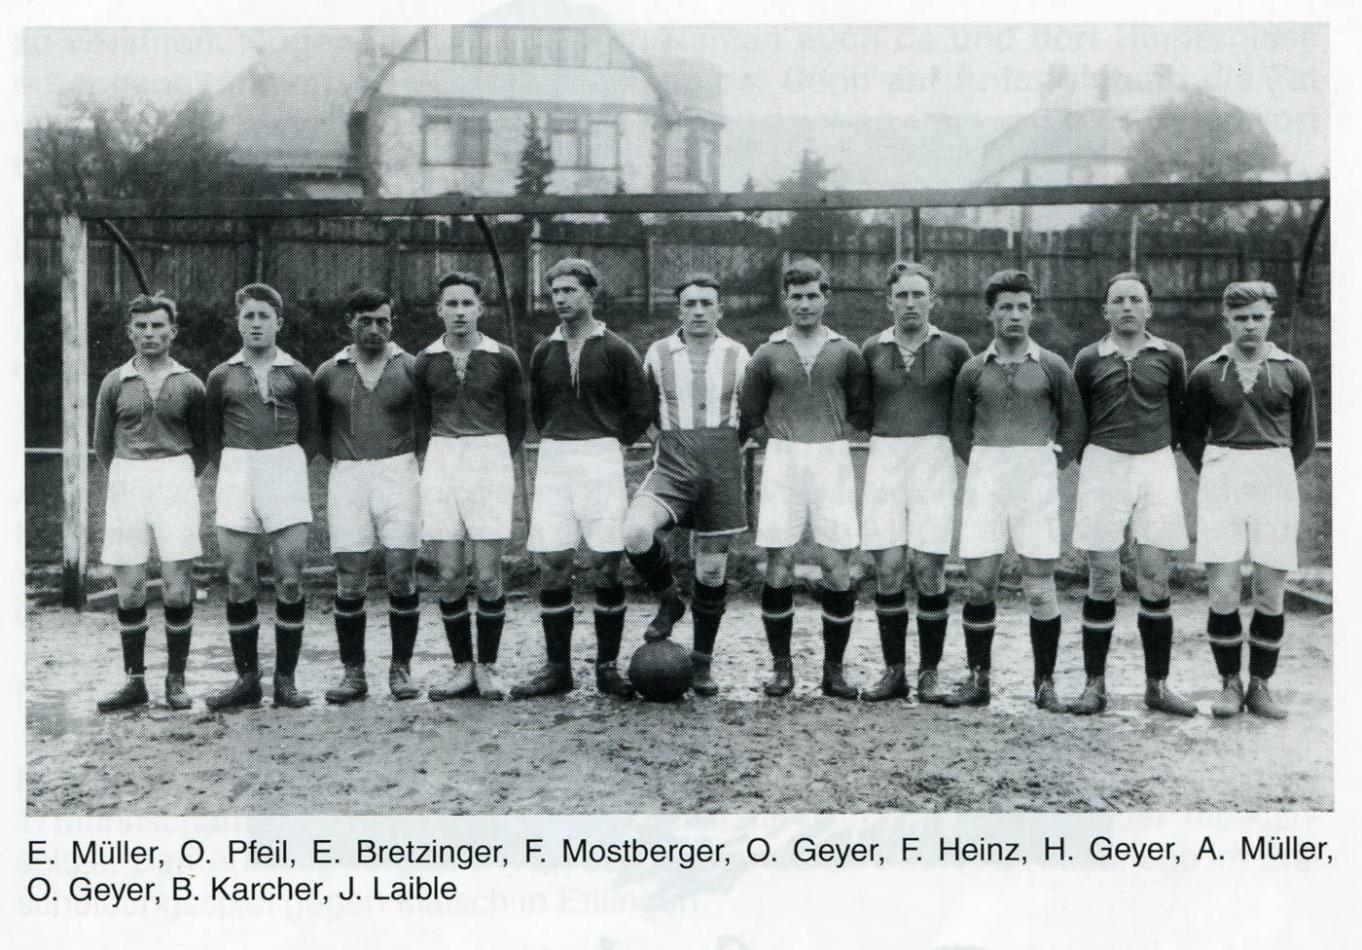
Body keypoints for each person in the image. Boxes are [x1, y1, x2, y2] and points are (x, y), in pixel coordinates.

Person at [513, 259, 652, 698]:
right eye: (555, 292)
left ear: (591, 295)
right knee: (553, 563)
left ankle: (607, 668)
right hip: (555, 458)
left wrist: (613, 441)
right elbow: (538, 409)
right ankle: (558, 669)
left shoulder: (617, 349)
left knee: (605, 565)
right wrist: (561, 437)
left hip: (600, 457)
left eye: (570, 290)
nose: (561, 299)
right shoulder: (544, 350)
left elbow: (641, 408)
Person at [948, 270, 1086, 711]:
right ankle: (978, 679)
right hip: (987, 475)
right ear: (990, 313)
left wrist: (1047, 464)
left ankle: (1044, 683)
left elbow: (1074, 424)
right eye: (1005, 307)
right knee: (979, 584)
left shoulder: (1053, 365)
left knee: (1040, 585)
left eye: (1023, 307)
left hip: (1035, 477)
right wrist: (985, 464)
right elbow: (959, 430)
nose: (1015, 315)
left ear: (1032, 312)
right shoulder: (973, 368)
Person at [1181, 280, 1316, 719]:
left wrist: (1272, 469)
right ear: (1227, 320)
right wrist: (1218, 470)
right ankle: (1229, 684)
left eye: (1258, 317)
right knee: (1223, 590)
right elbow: (1190, 436)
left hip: (1274, 475)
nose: (1250, 326)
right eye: (1241, 318)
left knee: (1270, 590)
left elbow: (1305, 439)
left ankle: (1260, 685)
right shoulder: (1206, 372)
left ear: (1270, 318)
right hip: (1222, 473)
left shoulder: (1293, 371)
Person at [740, 258, 871, 699]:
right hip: (784, 459)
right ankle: (782, 669)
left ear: (825, 298)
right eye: (796, 296)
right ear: (785, 299)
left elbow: (861, 410)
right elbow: (751, 414)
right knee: (780, 562)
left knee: (836, 564)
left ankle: (834, 671)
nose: (804, 304)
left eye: (812, 295)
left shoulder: (846, 351)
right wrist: (782, 442)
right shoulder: (767, 352)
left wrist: (829, 436)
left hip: (831, 457)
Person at [1069, 272, 1196, 716]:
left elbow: (1179, 413)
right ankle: (1094, 686)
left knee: (1155, 576)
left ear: (1149, 308)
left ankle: (1157, 686)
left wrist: (1153, 449)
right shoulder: (1088, 359)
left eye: (1135, 299)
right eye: (1118, 300)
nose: (1127, 307)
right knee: (1103, 577)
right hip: (1103, 464)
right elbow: (1077, 418)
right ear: (1105, 310)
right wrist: (1100, 458)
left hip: (1155, 465)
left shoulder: (1170, 356)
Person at [623, 273, 750, 696]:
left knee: (711, 570)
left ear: (720, 310)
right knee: (636, 531)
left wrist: (725, 447)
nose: (698, 311)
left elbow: (750, 414)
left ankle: (701, 664)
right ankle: (669, 599)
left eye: (706, 303)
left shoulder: (738, 354)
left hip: (721, 467)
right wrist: (665, 441)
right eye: (690, 304)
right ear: (678, 310)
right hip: (673, 464)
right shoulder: (659, 352)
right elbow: (644, 408)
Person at [859, 262, 972, 702]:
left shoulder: (955, 349)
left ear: (932, 301)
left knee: (928, 567)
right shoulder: (872, 349)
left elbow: (967, 408)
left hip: (934, 458)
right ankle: (894, 673)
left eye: (918, 295)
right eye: (901, 296)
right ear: (889, 302)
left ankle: (929, 673)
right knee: (888, 568)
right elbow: (860, 409)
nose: (910, 303)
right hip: (886, 457)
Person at [204, 283, 319, 710]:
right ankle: (246, 679)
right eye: (248, 316)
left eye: (264, 316)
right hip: (237, 468)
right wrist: (237, 467)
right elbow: (212, 438)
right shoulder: (221, 375)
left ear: (278, 323)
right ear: (237, 322)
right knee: (238, 579)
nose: (256, 324)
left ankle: (285, 680)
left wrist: (284, 464)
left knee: (289, 579)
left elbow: (312, 434)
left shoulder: (299, 374)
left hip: (284, 466)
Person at [92, 293, 208, 712]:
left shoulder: (190, 384)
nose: (149, 334)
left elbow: (203, 445)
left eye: (158, 325)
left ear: (172, 331)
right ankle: (134, 681)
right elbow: (102, 444)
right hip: (127, 478)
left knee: (177, 586)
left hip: (175, 477)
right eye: (141, 326)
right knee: (130, 588)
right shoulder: (114, 382)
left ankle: (175, 681)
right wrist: (131, 473)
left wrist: (176, 474)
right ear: (130, 332)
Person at [413, 272, 526, 701]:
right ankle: (461, 666)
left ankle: (488, 666)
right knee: (448, 574)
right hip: (442, 457)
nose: (459, 312)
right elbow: (420, 420)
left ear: (480, 308)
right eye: (451, 304)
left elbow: (517, 420)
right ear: (439, 310)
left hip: (489, 456)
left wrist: (490, 454)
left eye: (467, 304)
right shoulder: (426, 360)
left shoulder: (503, 357)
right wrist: (441, 454)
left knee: (488, 574)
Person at [314, 289, 421, 704]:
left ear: (392, 323)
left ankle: (401, 669)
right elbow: (318, 430)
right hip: (349, 474)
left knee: (401, 573)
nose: (374, 329)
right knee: (350, 575)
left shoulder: (411, 366)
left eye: (382, 321)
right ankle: (353, 673)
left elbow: (427, 422)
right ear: (350, 322)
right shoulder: (329, 372)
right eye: (365, 321)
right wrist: (348, 459)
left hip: (399, 471)